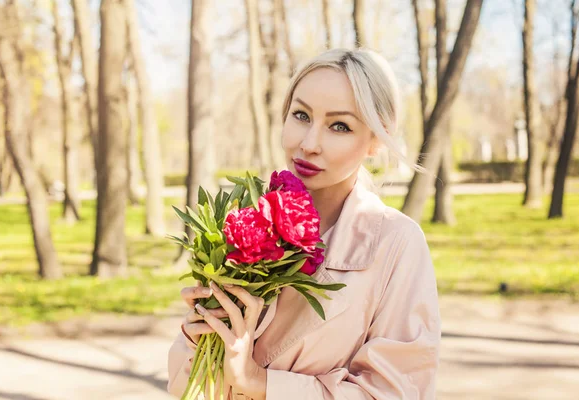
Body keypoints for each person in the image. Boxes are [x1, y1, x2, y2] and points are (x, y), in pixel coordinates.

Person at [167, 48, 441, 400]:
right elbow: (185, 387)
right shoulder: (243, 222)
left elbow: (398, 392)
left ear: (376, 139)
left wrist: (260, 383)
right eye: (301, 115)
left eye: (339, 126)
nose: (309, 144)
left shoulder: (395, 243)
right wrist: (198, 338)